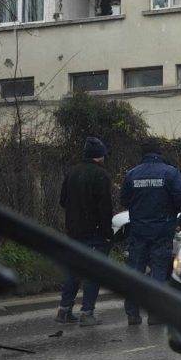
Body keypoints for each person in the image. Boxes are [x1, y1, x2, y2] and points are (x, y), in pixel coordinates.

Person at [120, 139, 181, 325]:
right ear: (159, 153)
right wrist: (173, 213)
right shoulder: (170, 173)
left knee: (135, 271)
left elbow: (124, 200)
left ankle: (132, 313)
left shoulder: (132, 174)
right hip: (162, 229)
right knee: (158, 271)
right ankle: (155, 314)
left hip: (139, 230)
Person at [55, 136, 113, 327]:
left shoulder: (72, 172)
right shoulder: (101, 175)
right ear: (99, 155)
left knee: (73, 271)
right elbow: (105, 208)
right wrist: (107, 232)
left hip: (74, 231)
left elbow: (63, 201)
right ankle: (87, 312)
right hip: (95, 233)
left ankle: (64, 310)